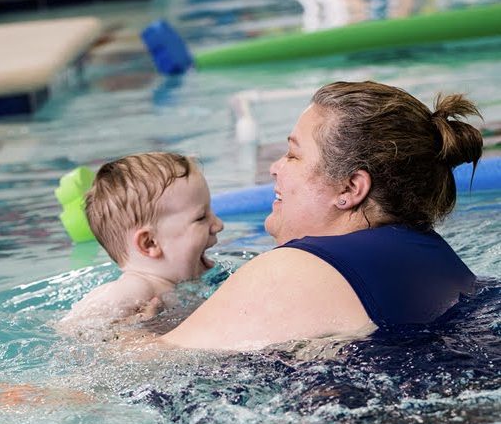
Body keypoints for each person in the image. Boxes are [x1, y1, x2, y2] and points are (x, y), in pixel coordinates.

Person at [159, 80, 483, 351]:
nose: (275, 168)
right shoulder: (434, 258)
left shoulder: (293, 269)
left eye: (293, 155)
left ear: (350, 188)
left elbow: (146, 366)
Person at [61, 152, 224, 327]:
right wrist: (133, 337)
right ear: (150, 243)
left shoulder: (175, 286)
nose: (218, 225)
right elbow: (71, 327)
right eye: (201, 217)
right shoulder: (136, 289)